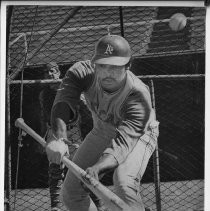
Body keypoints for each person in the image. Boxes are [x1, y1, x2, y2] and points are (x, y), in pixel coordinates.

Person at [46, 34, 159, 211]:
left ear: (128, 65)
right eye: (102, 65)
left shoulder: (137, 95)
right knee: (71, 192)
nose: (107, 72)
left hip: (140, 135)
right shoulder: (82, 72)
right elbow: (63, 101)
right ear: (94, 64)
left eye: (114, 66)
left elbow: (122, 146)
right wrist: (58, 139)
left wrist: (98, 168)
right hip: (102, 130)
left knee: (123, 182)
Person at [39, 62, 83, 211]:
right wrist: (44, 137)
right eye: (46, 73)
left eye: (52, 71)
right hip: (53, 131)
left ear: (58, 72)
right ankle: (56, 206)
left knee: (80, 167)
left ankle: (90, 203)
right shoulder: (44, 94)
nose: (50, 75)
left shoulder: (68, 88)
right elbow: (44, 117)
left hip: (72, 130)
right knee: (55, 168)